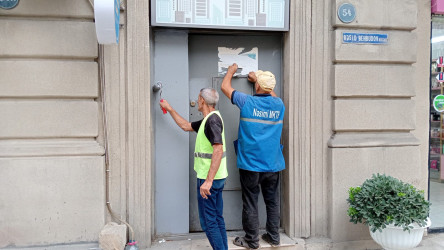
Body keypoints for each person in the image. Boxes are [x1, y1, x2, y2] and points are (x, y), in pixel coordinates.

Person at [220, 63, 285, 249]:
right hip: (272, 164)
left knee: (250, 201)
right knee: (272, 202)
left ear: (257, 87)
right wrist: (260, 81)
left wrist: (231, 72)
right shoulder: (279, 104)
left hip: (251, 165)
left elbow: (225, 87)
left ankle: (251, 240)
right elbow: (271, 94)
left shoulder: (247, 102)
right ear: (271, 87)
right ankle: (273, 237)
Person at [159, 88, 228, 250]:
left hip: (209, 180)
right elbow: (185, 126)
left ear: (203, 100)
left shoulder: (211, 122)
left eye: (198, 98)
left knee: (209, 222)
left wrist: (208, 181)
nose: (197, 101)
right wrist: (170, 109)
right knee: (217, 218)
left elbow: (218, 149)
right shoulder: (210, 119)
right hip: (217, 178)